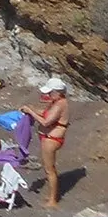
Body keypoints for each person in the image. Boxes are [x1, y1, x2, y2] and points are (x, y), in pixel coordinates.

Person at [23, 77, 70, 207]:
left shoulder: (60, 105)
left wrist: (31, 112)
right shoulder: (56, 102)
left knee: (50, 169)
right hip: (48, 137)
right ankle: (51, 196)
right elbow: (46, 113)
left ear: (58, 92)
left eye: (50, 92)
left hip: (52, 139)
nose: (48, 95)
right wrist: (31, 109)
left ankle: (53, 200)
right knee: (48, 168)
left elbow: (46, 121)